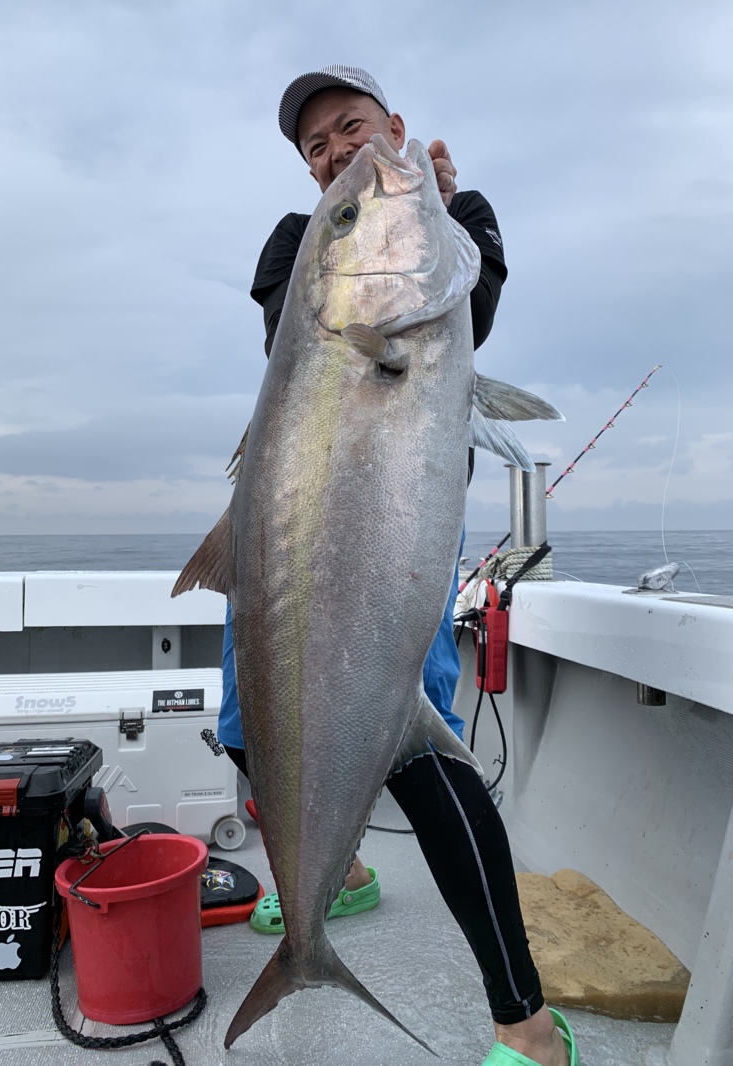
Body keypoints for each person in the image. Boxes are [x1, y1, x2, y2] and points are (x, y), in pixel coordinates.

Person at [216, 65, 578, 1066]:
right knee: (245, 728)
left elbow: (465, 317)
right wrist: (390, 216)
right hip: (285, 529)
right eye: (315, 146)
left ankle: (525, 1020)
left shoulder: (460, 221)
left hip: (389, 527)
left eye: (349, 126)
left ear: (395, 125)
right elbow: (301, 342)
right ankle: (326, 881)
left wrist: (445, 213)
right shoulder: (298, 242)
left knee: (421, 755)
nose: (333, 150)